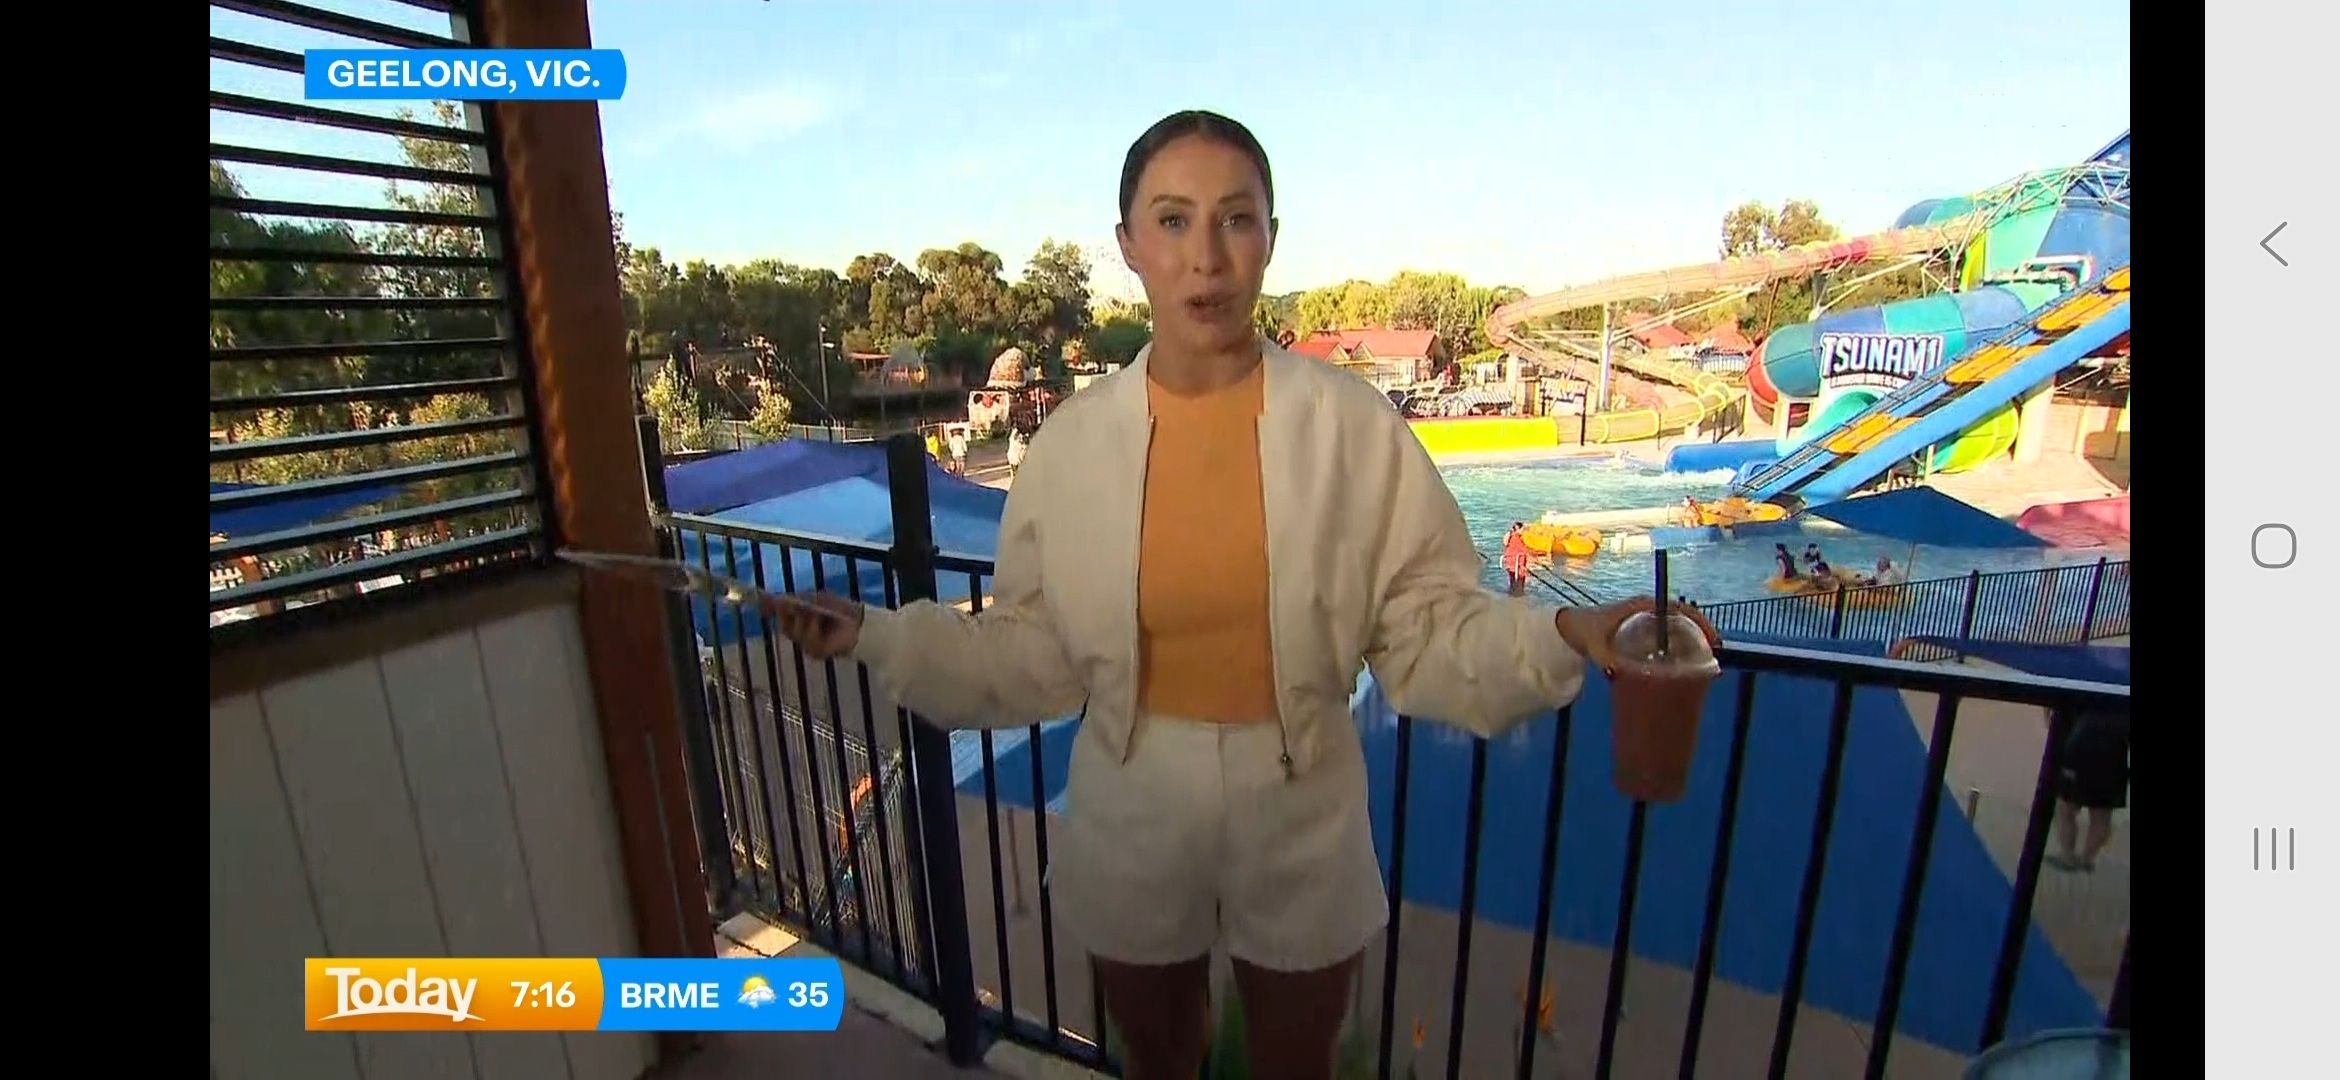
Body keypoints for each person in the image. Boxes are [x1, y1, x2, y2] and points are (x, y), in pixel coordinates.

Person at [760, 109, 1718, 1080]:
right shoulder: (1073, 449)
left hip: (1303, 804)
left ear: (1271, 237)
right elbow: (1035, 647)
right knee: (1157, 1060)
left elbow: (1427, 630)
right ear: (1129, 245)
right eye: (1173, 220)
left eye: (1236, 219)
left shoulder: (1352, 430)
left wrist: (1565, 631)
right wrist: (875, 635)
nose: (1206, 258)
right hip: (1131, 803)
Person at [2047, 705, 2129, 872]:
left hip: (2083, 745)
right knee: (2102, 815)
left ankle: (2068, 857)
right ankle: (2087, 859)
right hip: (2115, 755)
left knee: (2065, 809)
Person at [1501, 521, 1533, 595]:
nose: (1523, 531)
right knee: (1519, 580)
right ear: (1518, 529)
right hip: (1517, 563)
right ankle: (1518, 595)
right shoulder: (1516, 537)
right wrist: (1534, 556)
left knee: (1513, 580)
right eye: (1522, 529)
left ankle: (1513, 594)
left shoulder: (1512, 535)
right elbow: (1524, 549)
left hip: (1511, 562)